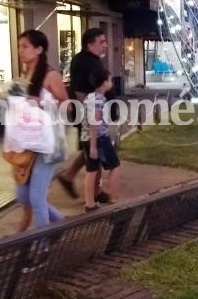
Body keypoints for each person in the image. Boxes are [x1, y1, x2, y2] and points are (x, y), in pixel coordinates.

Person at [15, 30, 69, 230]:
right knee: (23, 196)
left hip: (49, 142)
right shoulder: (25, 74)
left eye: (25, 46)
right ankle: (60, 223)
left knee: (36, 198)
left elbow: (68, 106)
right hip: (28, 141)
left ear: (39, 49)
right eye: (19, 46)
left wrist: (42, 102)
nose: (20, 51)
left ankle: (41, 247)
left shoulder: (51, 75)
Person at [54, 27, 111, 202]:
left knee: (89, 150)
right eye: (101, 41)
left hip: (88, 113)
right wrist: (92, 115)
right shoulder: (86, 61)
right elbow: (79, 91)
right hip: (88, 115)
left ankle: (70, 176)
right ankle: (94, 194)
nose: (106, 45)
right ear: (90, 44)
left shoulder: (89, 59)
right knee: (95, 151)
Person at [82, 68, 121, 212]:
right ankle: (114, 198)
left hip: (86, 137)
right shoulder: (99, 99)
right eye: (109, 80)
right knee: (115, 166)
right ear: (104, 82)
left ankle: (89, 203)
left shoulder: (89, 97)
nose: (111, 83)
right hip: (99, 138)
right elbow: (94, 121)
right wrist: (93, 146)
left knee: (91, 170)